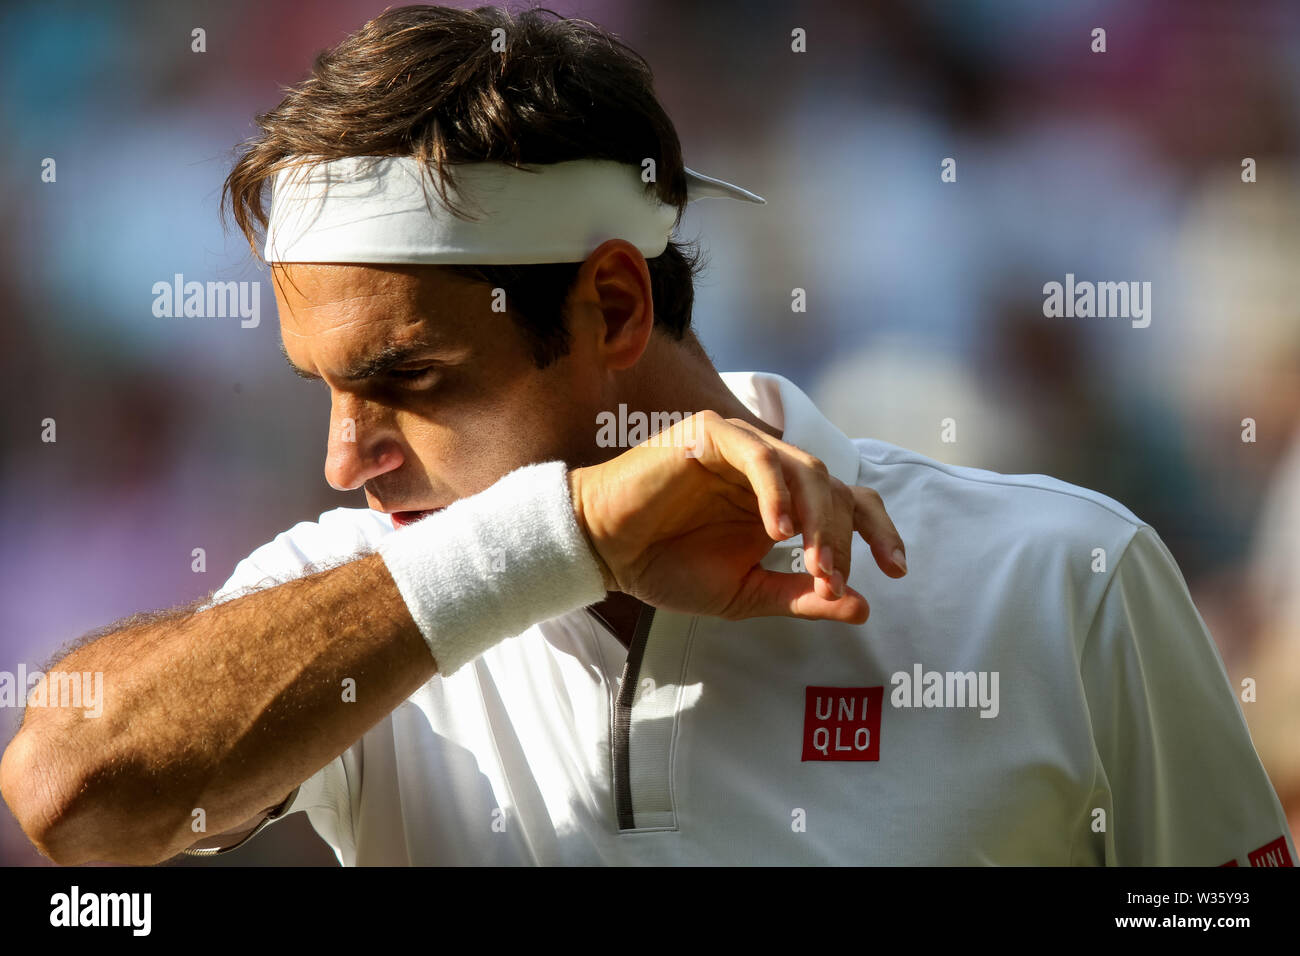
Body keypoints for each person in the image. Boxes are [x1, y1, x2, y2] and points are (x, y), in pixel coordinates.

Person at [4, 4, 1293, 867]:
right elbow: (68, 806)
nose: (347, 459)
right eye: (323, 390)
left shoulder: (1068, 575)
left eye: (407, 378)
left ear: (614, 302)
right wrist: (558, 535)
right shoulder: (367, 593)